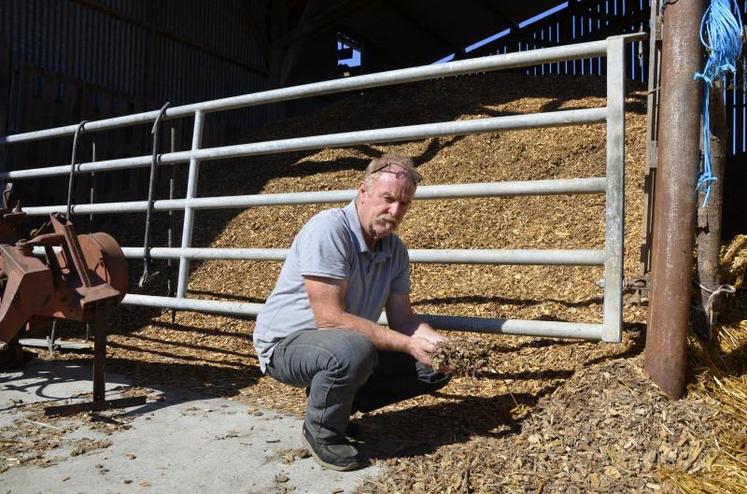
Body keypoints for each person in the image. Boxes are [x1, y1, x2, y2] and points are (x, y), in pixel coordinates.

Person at [253, 152, 451, 471]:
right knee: (352, 350)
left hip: (339, 345)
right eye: (387, 198)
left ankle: (336, 406)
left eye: (404, 204)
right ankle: (323, 432)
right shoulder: (329, 229)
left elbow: (403, 318)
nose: (395, 211)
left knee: (433, 364)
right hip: (286, 345)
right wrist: (408, 344)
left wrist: (435, 343)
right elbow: (330, 319)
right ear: (363, 191)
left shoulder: (395, 250)